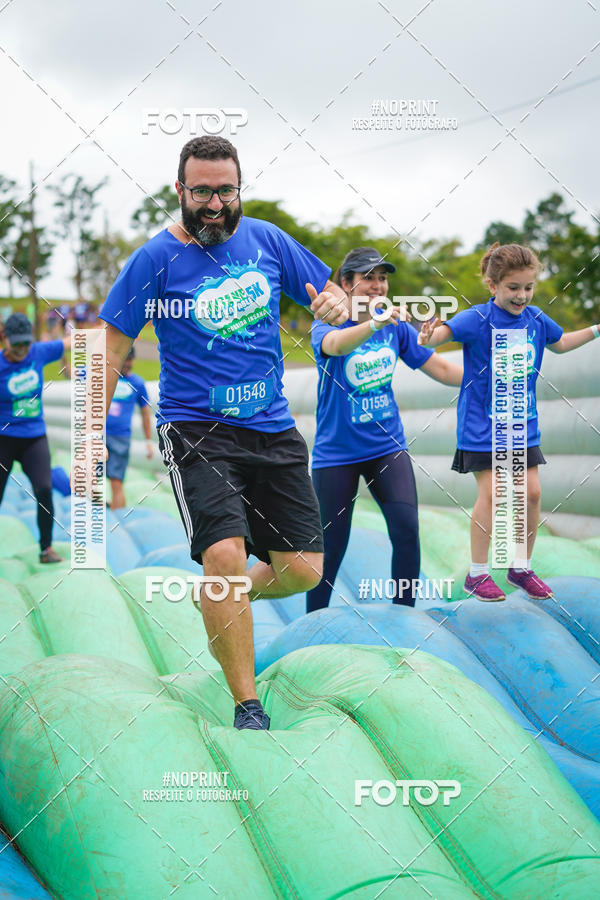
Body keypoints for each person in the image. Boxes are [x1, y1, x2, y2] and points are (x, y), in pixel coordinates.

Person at [97, 135, 349, 730]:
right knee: (225, 556)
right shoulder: (153, 260)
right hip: (196, 430)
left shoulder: (268, 240)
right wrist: (89, 437)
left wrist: (337, 303)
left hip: (272, 427)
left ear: (240, 189)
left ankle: (220, 592)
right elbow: (109, 348)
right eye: (202, 192)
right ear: (180, 190)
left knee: (304, 569)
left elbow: (330, 290)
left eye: (226, 191)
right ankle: (246, 703)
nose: (214, 204)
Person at [418, 242, 599, 601]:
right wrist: (427, 336)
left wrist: (596, 329)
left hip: (522, 425)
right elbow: (441, 335)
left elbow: (561, 343)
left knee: (532, 494)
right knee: (496, 493)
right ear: (493, 285)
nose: (522, 295)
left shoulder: (536, 319)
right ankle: (477, 574)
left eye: (528, 287)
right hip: (483, 427)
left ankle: (521, 568)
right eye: (513, 287)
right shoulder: (477, 318)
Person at [308, 247, 463, 611]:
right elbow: (335, 346)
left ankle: (404, 615)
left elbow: (440, 368)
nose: (378, 286)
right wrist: (374, 324)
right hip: (336, 455)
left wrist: (489, 378)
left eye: (382, 278)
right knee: (331, 547)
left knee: (406, 529)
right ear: (346, 284)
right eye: (368, 278)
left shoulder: (396, 328)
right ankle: (314, 622)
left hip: (386, 447)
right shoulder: (328, 323)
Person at [0, 313, 71, 563]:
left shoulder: (38, 352)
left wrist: (112, 330)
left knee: (44, 489)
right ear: (4, 338)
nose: (22, 348)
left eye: (26, 343)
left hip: (34, 438)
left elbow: (72, 342)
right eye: (17, 343)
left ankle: (46, 549)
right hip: (4, 438)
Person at [105, 346, 153, 509]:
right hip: (100, 435)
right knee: (90, 479)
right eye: (125, 360)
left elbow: (145, 413)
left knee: (116, 482)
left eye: (130, 360)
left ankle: (117, 517)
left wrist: (148, 441)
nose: (127, 364)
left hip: (121, 437)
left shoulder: (137, 383)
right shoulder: (107, 377)